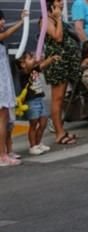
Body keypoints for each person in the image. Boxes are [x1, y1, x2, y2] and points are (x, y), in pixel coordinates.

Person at [44, 0, 83, 146]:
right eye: (59, 1)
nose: (62, 4)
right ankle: (59, 133)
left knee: (62, 98)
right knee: (57, 99)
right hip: (57, 65)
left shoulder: (55, 18)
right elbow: (58, 37)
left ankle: (62, 130)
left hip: (67, 63)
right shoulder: (45, 20)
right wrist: (59, 18)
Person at [17, 52, 59, 156]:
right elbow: (39, 65)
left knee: (44, 122)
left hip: (40, 98)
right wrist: (44, 60)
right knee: (33, 124)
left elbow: (42, 65)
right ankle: (33, 146)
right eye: (30, 58)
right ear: (23, 64)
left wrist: (49, 59)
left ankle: (39, 142)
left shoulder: (34, 69)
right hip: (31, 101)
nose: (34, 59)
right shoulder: (24, 73)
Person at [0, 8, 28, 166]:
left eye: (2, 18)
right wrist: (21, 22)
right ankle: (2, 155)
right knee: (2, 119)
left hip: (4, 82)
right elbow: (6, 34)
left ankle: (6, 151)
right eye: (0, 19)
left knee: (7, 119)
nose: (2, 21)